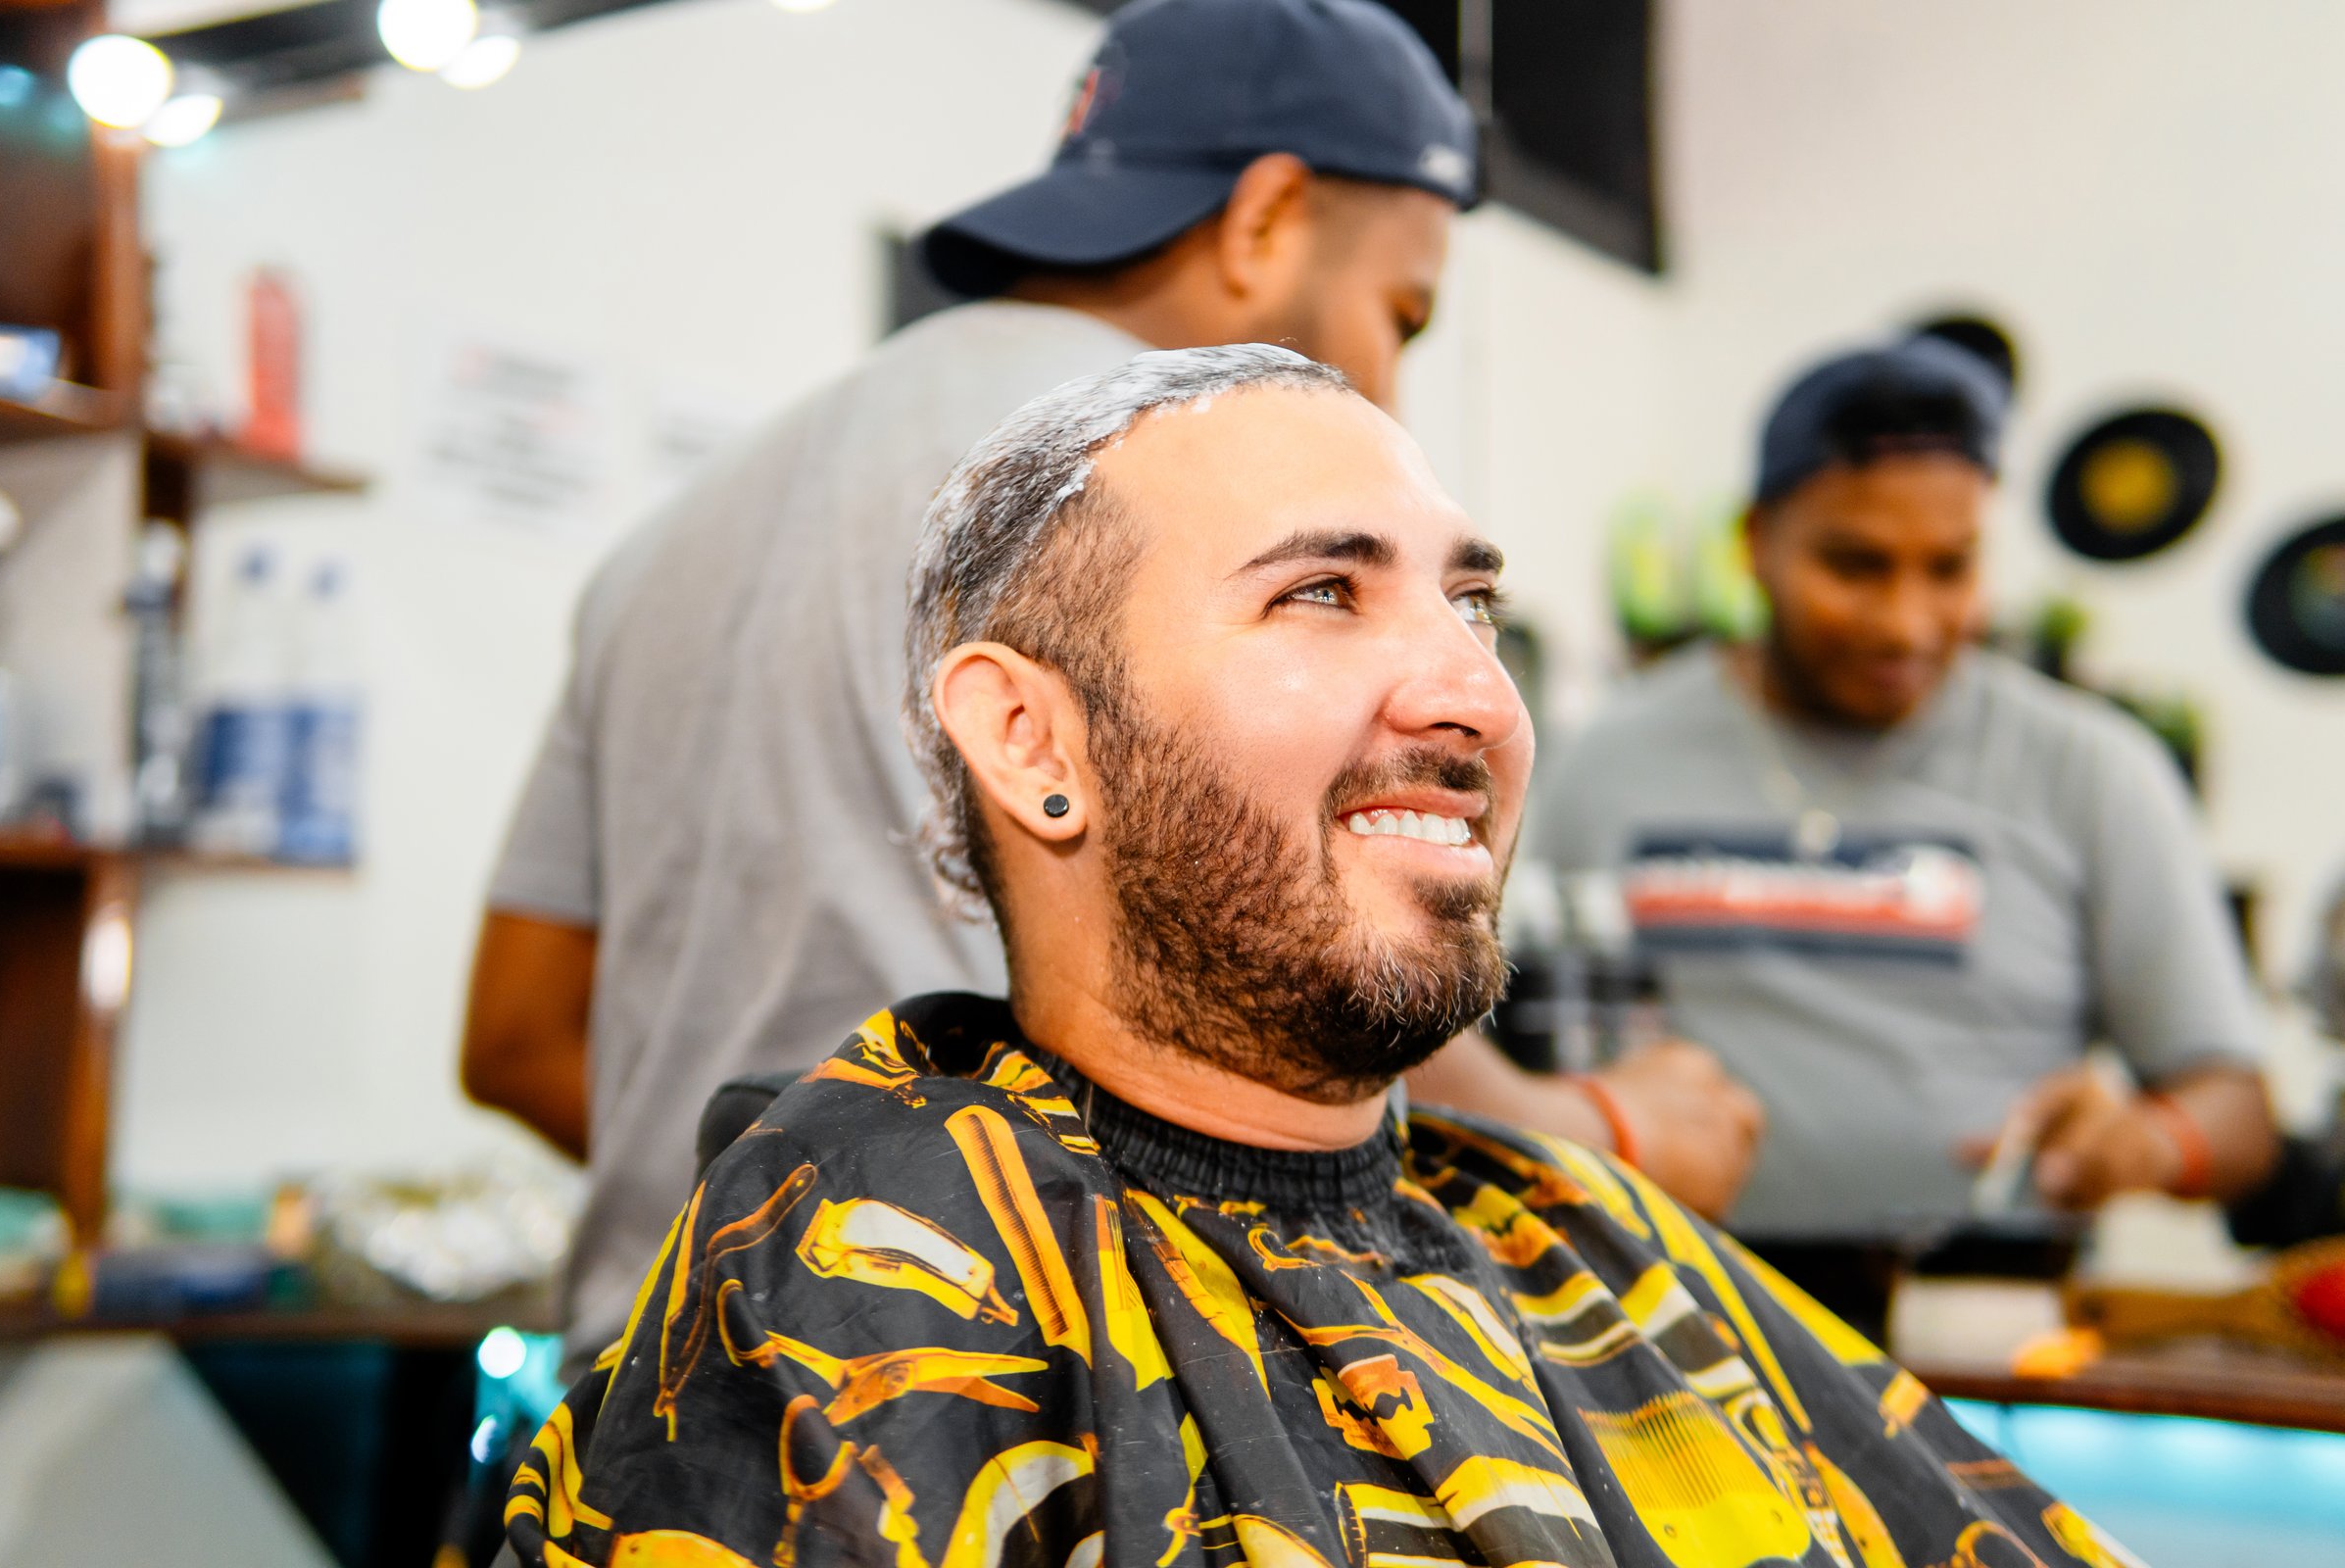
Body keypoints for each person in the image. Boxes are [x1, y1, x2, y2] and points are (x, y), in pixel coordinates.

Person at [503, 346, 2135, 1568]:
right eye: (1323, 595)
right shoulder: (875, 1275)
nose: (1476, 698)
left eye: (1472, 607)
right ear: (1032, 736)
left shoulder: (1587, 1241)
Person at [462, 0, 1758, 1380]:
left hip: (650, 1415)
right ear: (1265, 221)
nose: (1393, 395)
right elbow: (1295, 950)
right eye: (1403, 314)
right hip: (1033, 1420)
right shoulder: (1163, 510)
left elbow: (520, 1035)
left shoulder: (678, 536)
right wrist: (1594, 1142)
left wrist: (798, 1203)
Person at [1533, 337, 2277, 1298]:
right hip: (1664, 1328)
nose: (1906, 622)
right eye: (1856, 565)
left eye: (1950, 568)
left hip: (1974, 1337)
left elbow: (2239, 1116)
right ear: (1754, 541)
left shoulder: (2091, 770)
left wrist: (2143, 1142)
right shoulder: (1608, 761)